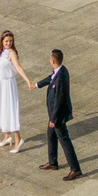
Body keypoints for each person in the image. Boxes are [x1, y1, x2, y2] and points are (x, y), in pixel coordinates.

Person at [0, 29, 35, 151]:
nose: (8, 43)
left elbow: (18, 67)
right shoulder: (1, 52)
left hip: (7, 84)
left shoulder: (11, 53)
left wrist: (27, 80)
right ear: (2, 41)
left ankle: (17, 139)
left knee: (10, 110)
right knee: (1, 108)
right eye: (6, 41)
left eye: (10, 41)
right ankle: (7, 136)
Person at [38, 47, 81, 179]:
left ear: (52, 61)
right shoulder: (60, 70)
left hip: (58, 115)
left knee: (64, 139)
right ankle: (52, 162)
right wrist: (37, 84)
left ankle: (75, 168)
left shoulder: (61, 77)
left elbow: (58, 100)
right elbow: (50, 78)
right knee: (51, 136)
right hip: (54, 114)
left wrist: (53, 119)